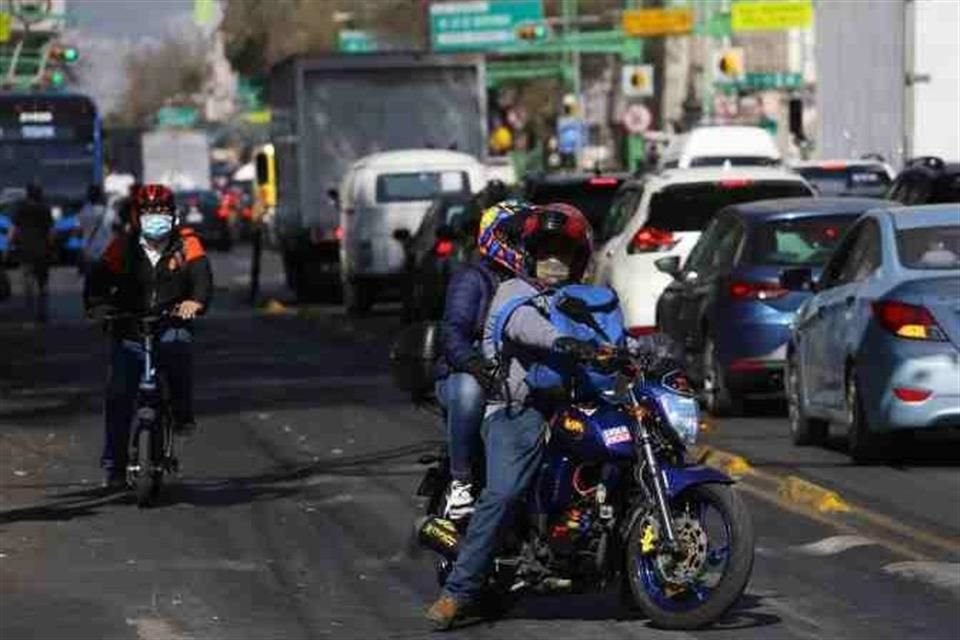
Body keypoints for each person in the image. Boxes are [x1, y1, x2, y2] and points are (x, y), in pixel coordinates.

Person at [427, 202, 598, 629]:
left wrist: (644, 352)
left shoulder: (580, 296)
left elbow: (608, 333)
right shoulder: (511, 291)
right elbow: (522, 325)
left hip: (576, 402)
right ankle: (458, 591)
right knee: (502, 493)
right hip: (516, 405)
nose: (554, 260)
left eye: (563, 251)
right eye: (545, 250)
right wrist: (559, 342)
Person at [84, 184, 213, 488]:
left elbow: (202, 280)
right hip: (130, 327)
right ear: (136, 215)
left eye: (162, 210)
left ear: (173, 214)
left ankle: (181, 413)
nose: (156, 216)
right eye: (149, 211)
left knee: (177, 349)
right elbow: (97, 282)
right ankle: (114, 464)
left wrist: (195, 302)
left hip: (170, 322)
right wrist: (99, 308)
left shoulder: (187, 244)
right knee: (118, 393)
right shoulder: (122, 247)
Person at [434, 200, 533, 521]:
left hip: (514, 370)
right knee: (468, 390)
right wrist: (475, 364)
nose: (523, 245)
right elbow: (452, 333)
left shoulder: (535, 281)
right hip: (467, 371)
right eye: (517, 237)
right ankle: (460, 483)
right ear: (496, 237)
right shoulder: (472, 278)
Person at [10, 182, 54, 322]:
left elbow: (14, 229)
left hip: (25, 248)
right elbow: (50, 231)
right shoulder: (45, 209)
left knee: (27, 277)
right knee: (42, 281)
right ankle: (42, 308)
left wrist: (10, 244)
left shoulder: (20, 209)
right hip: (42, 249)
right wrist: (52, 246)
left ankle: (29, 304)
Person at [77, 184, 108, 273]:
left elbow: (79, 230)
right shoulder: (108, 212)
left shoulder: (84, 211)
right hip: (104, 249)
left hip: (88, 249)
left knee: (89, 277)